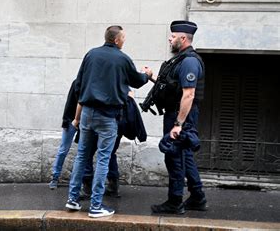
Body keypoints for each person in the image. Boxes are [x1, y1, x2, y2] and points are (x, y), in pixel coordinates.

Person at [65, 25, 152, 218]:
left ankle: (73, 199)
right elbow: (137, 81)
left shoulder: (91, 54)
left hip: (87, 112)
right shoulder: (122, 58)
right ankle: (96, 206)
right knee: (103, 158)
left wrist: (78, 116)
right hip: (108, 115)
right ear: (116, 40)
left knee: (82, 156)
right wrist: (147, 74)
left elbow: (79, 84)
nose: (124, 41)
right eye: (123, 38)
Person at [150, 20, 207, 214]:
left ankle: (174, 202)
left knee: (174, 156)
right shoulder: (180, 59)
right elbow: (172, 86)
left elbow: (188, 94)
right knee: (185, 155)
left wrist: (178, 124)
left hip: (181, 116)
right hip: (178, 114)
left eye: (173, 36)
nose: (169, 38)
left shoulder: (189, 61)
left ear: (183, 38)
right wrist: (152, 77)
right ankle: (198, 197)